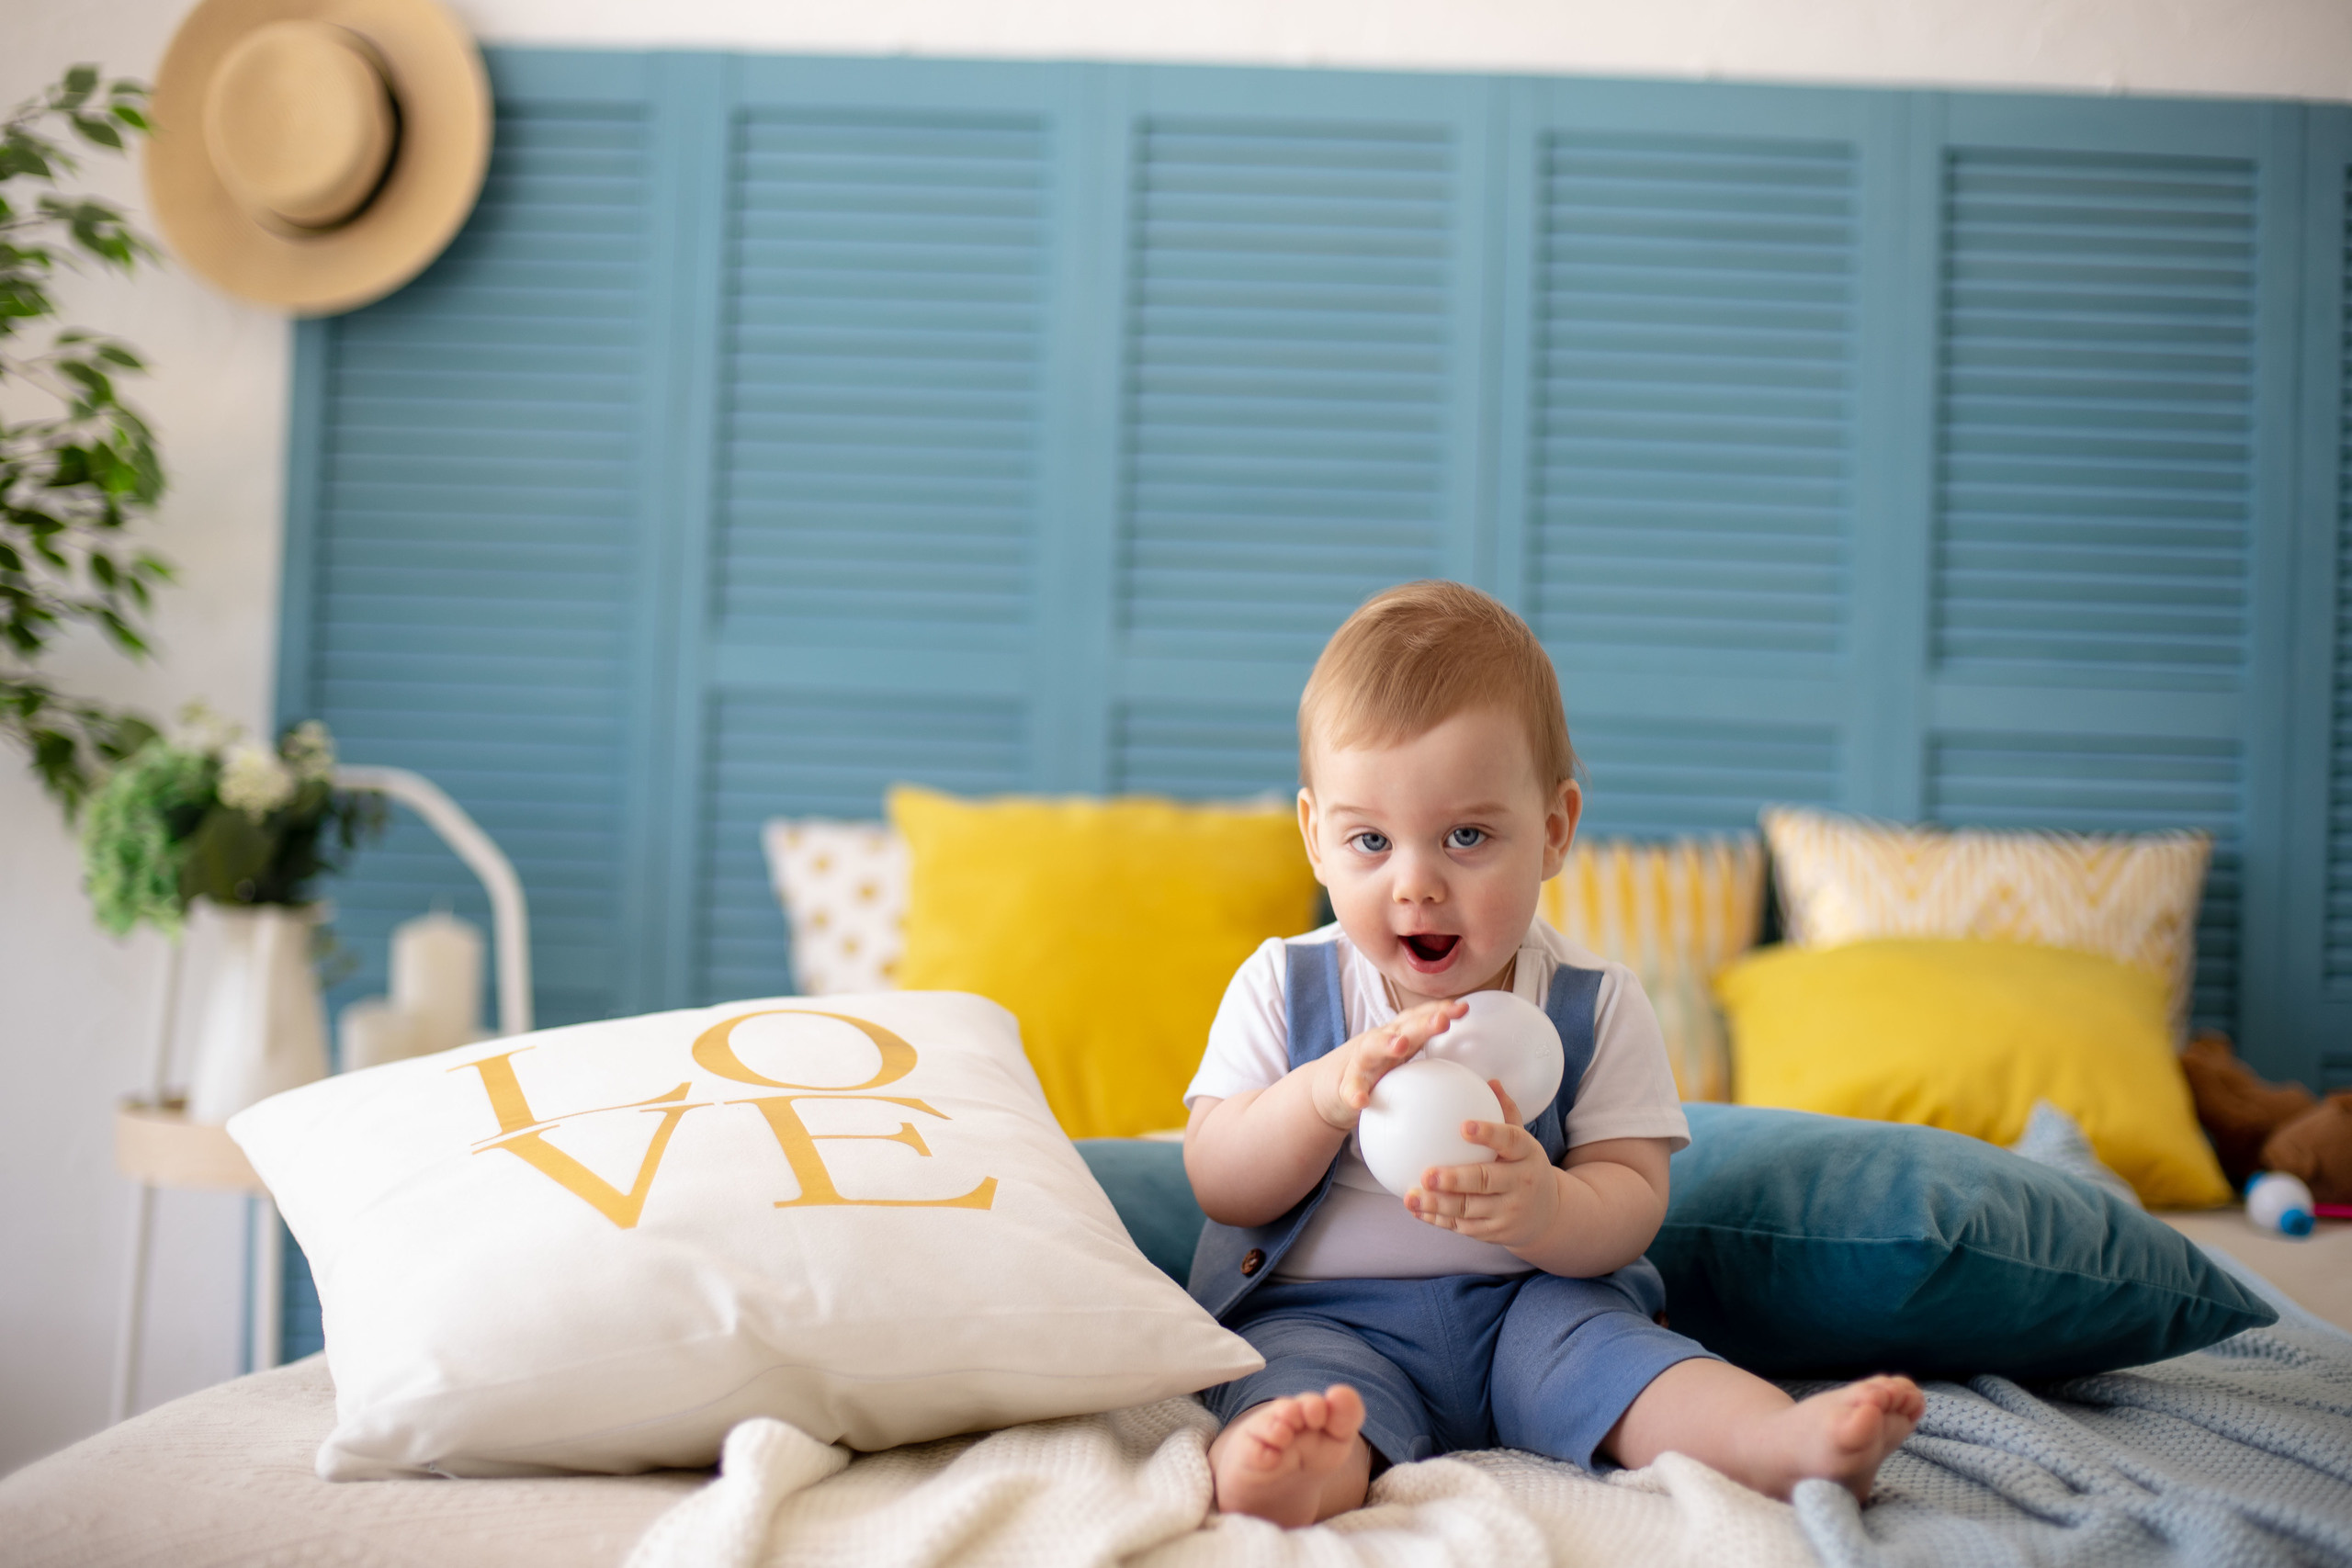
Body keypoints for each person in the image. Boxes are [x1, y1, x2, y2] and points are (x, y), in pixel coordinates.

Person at [1181, 581, 1923, 1528]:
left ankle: (1780, 1443)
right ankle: (1287, 1474)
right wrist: (1320, 1097)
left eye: (1466, 836)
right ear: (1314, 839)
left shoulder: (1593, 1001)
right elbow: (1221, 1180)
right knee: (1304, 1394)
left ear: (1553, 831)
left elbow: (1633, 1199)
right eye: (1370, 839)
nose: (1416, 884)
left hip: (1532, 1308)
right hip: (1327, 1315)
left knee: (1630, 1364)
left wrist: (1547, 1208)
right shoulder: (1283, 986)